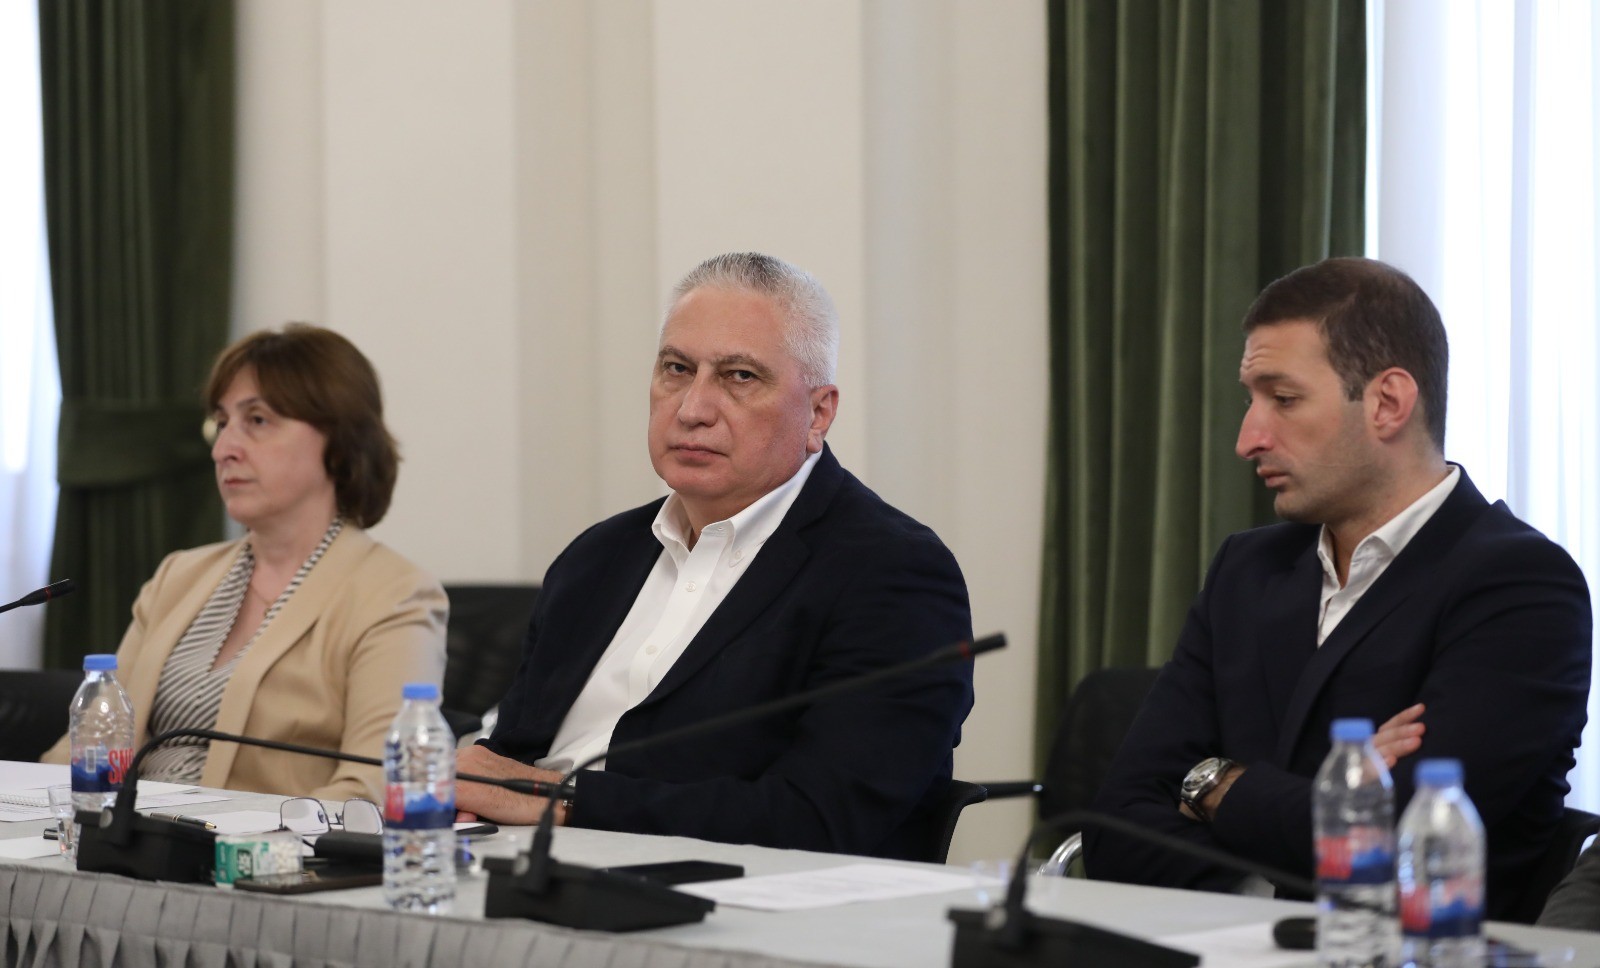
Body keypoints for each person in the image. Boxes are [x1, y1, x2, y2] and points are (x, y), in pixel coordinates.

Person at [1082, 258, 1591, 919]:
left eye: (1283, 399)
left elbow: (1404, 842)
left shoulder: (1520, 586)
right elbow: (1116, 829)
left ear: (1387, 403)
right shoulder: (1246, 569)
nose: (1247, 439)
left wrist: (1211, 784)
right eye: (1251, 400)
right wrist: (1334, 800)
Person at [455, 252, 974, 859]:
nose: (692, 409)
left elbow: (819, 817)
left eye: (740, 377)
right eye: (677, 369)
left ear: (818, 413)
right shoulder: (598, 556)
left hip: (720, 894)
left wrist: (561, 801)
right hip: (505, 869)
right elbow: (510, 752)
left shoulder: (892, 573)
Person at [44, 325, 447, 802]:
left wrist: (246, 838)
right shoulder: (179, 576)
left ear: (339, 442)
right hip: (123, 833)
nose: (223, 450)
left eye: (257, 420)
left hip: (266, 845)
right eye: (222, 423)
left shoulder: (394, 594)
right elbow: (91, 743)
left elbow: (376, 785)